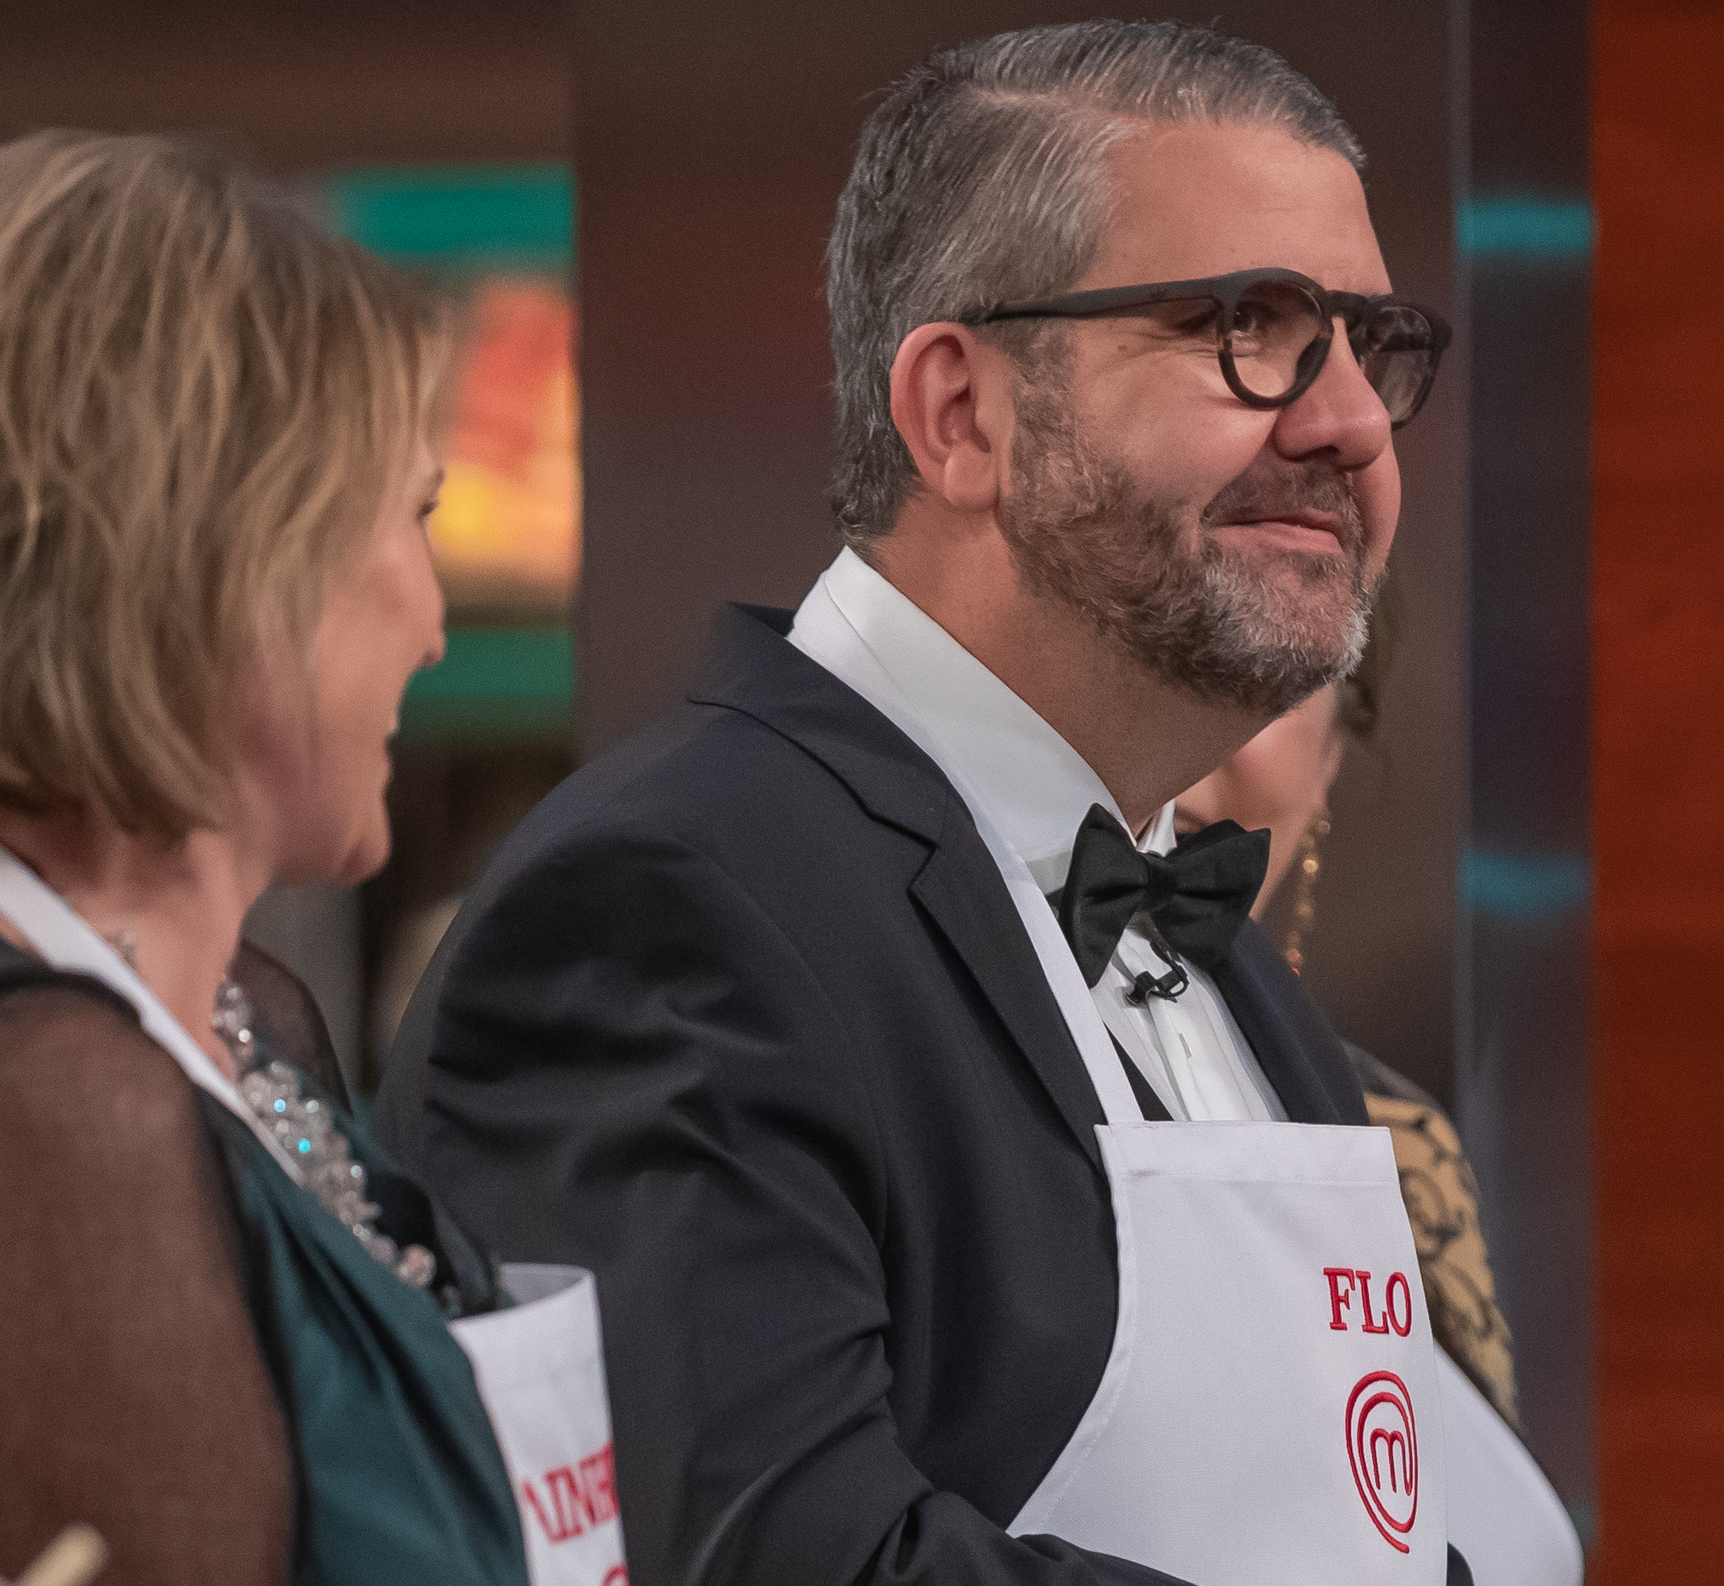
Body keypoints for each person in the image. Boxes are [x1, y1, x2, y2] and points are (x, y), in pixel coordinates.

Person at [381, 21, 1478, 1586]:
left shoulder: (1233, 966)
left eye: (1372, 346)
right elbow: (765, 1555)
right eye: (1251, 329)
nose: (1353, 423)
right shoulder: (667, 901)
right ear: (962, 413)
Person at [0, 131, 527, 1586]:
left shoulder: (248, 1013)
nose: (435, 623)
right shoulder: (53, 1107)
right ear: (235, 553)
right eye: (415, 516)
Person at [1173, 622, 1585, 1586]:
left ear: (1330, 762)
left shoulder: (1403, 1149)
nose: (1184, 737)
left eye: (1255, 671)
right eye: (1154, 657)